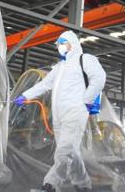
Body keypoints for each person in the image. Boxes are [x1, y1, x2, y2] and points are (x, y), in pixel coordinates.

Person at [13, 31, 106, 192]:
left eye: (61, 43)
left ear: (72, 43)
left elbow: (99, 78)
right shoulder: (60, 67)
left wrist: (86, 100)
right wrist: (25, 96)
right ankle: (83, 183)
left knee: (63, 150)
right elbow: (45, 84)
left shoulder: (85, 60)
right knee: (71, 150)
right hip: (59, 115)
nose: (59, 46)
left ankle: (50, 185)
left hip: (75, 111)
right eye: (57, 44)